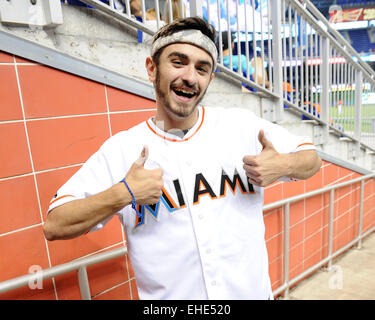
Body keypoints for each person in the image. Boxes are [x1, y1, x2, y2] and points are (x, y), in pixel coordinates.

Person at [43, 17, 322, 300]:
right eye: (178, 62)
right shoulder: (123, 149)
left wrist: (284, 165)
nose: (190, 77)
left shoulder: (240, 126)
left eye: (202, 68)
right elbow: (55, 225)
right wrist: (123, 192)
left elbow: (311, 159)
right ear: (152, 69)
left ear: (210, 79)